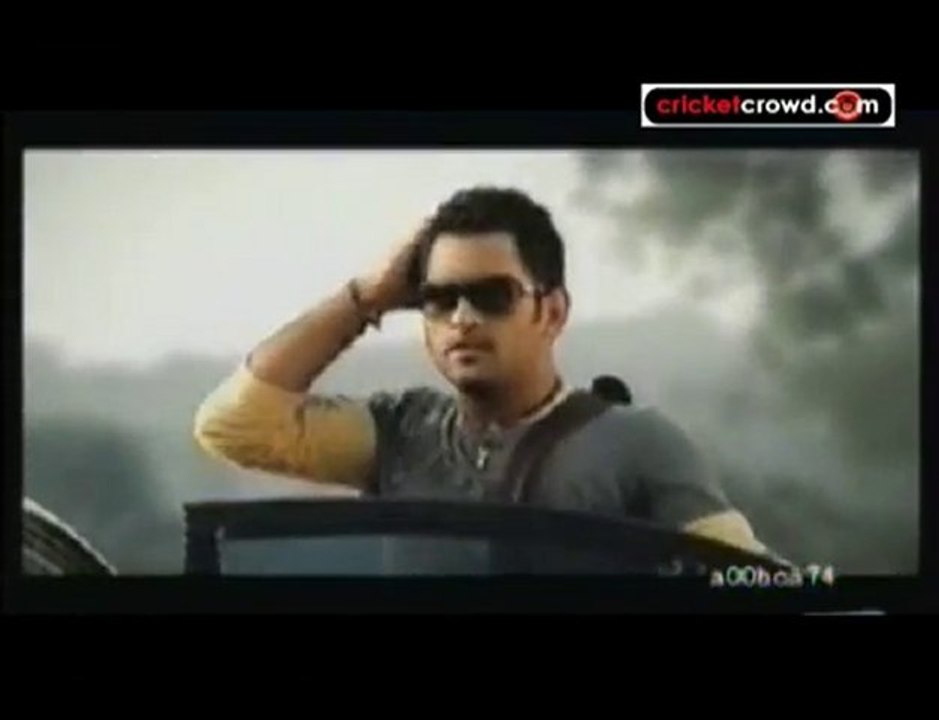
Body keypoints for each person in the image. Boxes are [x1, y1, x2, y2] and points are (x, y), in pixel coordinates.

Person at [194, 187, 769, 556]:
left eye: (492, 296)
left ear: (551, 312)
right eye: (439, 299)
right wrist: (366, 297)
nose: (462, 319)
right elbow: (233, 426)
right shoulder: (400, 432)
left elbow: (749, 579)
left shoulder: (638, 443)